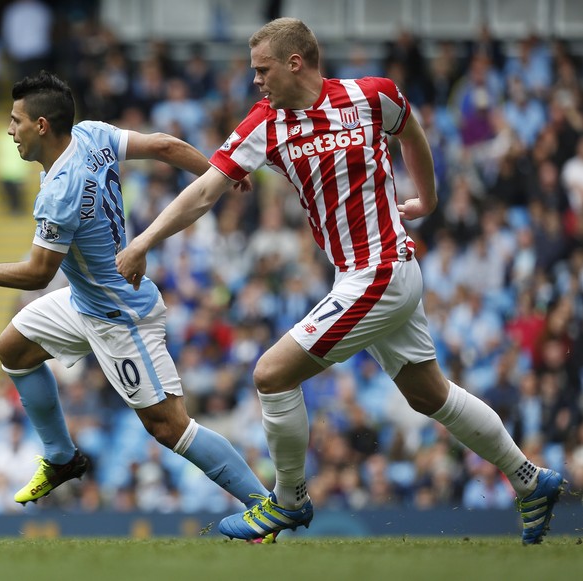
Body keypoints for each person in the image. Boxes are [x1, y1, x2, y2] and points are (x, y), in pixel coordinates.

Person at [115, 18, 566, 545]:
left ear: (295, 62)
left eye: (262, 70)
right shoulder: (265, 123)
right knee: (429, 394)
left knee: (271, 374)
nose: (255, 81)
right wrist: (144, 239)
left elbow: (412, 131)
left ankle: (287, 503)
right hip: (364, 274)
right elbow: (204, 192)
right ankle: (531, 481)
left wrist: (429, 200)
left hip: (383, 272)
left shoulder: (371, 95)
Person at [0, 71, 270, 512]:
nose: (9, 130)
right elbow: (164, 145)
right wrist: (223, 173)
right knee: (13, 348)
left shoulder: (59, 192)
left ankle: (264, 502)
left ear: (41, 126)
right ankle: (61, 457)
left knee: (169, 427)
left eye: (15, 121)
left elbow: (37, 275)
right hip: (86, 298)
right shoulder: (91, 134)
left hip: (120, 315)